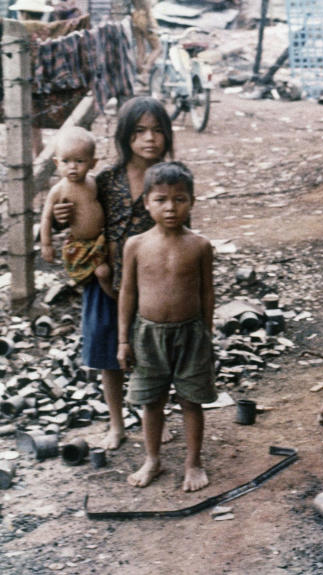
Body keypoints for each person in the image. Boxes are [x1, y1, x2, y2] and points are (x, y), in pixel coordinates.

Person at [53, 96, 174, 451]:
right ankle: (117, 423)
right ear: (124, 136)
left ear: (167, 135)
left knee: (153, 354)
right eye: (139, 131)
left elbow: (182, 228)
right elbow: (76, 215)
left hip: (152, 282)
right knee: (109, 355)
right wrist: (61, 217)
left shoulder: (170, 180)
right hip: (105, 281)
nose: (149, 139)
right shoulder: (104, 179)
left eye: (156, 131)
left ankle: (155, 416)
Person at [117, 161, 216, 492]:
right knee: (152, 401)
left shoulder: (200, 246)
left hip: (191, 334)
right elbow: (127, 293)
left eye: (180, 199)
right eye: (161, 199)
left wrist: (207, 333)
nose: (171, 208)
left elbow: (206, 292)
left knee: (191, 401)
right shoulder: (135, 244)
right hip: (147, 336)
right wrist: (123, 340)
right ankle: (153, 459)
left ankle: (193, 462)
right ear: (146, 202)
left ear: (192, 201)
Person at [39, 127, 113, 297]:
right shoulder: (59, 190)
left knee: (104, 271)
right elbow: (46, 218)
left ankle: (117, 301)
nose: (72, 167)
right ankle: (114, 299)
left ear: (92, 163)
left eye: (79, 161)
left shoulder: (94, 183)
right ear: (57, 163)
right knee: (101, 273)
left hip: (101, 241)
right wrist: (46, 244)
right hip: (80, 243)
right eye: (66, 161)